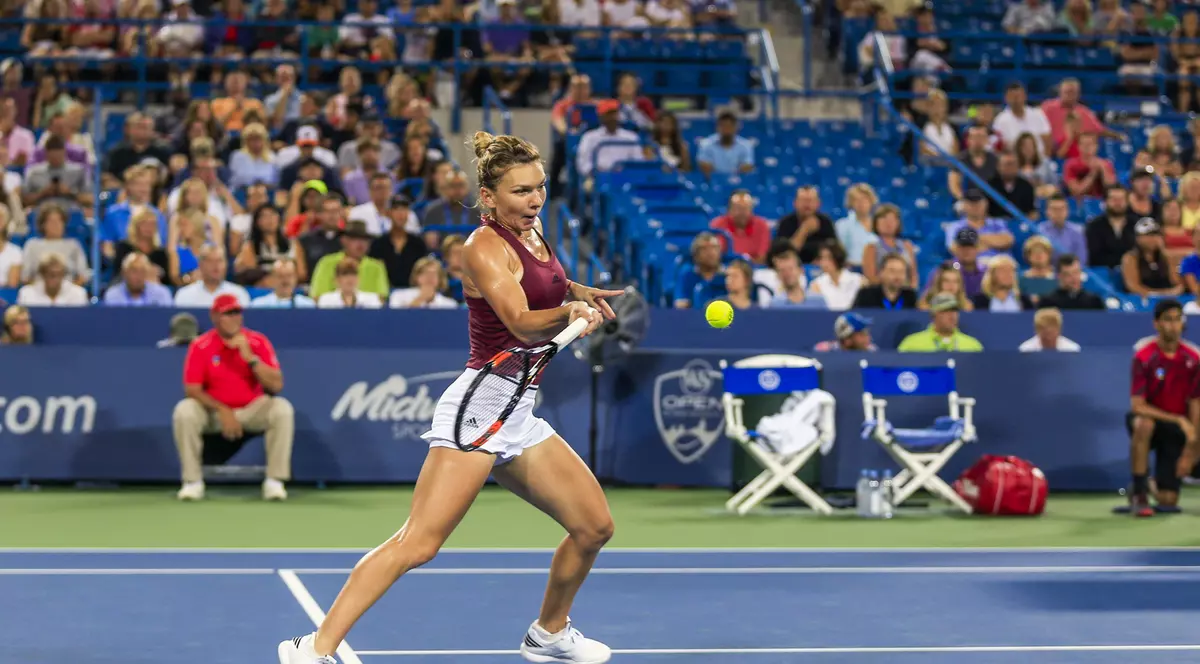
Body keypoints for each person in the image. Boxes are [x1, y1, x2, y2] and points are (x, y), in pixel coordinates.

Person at [279, 131, 624, 664]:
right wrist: (567, 315)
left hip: (520, 409)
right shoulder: (482, 247)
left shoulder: (532, 235)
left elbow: (543, 283)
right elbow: (522, 323)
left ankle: (549, 633)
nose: (534, 200)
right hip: (481, 406)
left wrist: (577, 292)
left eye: (540, 188)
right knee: (419, 543)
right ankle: (314, 647)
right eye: (520, 192)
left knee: (594, 526)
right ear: (489, 197)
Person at [173, 294, 294, 502]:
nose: (234, 317)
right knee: (184, 410)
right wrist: (223, 409)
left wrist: (251, 359)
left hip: (252, 409)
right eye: (228, 313)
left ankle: (275, 481)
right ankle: (192, 482)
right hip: (213, 413)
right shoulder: (201, 345)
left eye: (237, 312)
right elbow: (192, 389)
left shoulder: (257, 341)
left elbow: (276, 385)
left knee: (282, 409)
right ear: (215, 317)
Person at [1125, 299, 1200, 516]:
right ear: (1156, 324)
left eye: (1178, 320)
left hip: (1177, 431)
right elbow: (1137, 405)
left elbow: (1196, 404)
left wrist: (1191, 448)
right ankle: (1139, 491)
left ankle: (1151, 485)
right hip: (1153, 421)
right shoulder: (1144, 354)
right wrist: (1178, 419)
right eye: (1168, 320)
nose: (1174, 326)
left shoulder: (1194, 358)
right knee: (1143, 424)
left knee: (1168, 502)